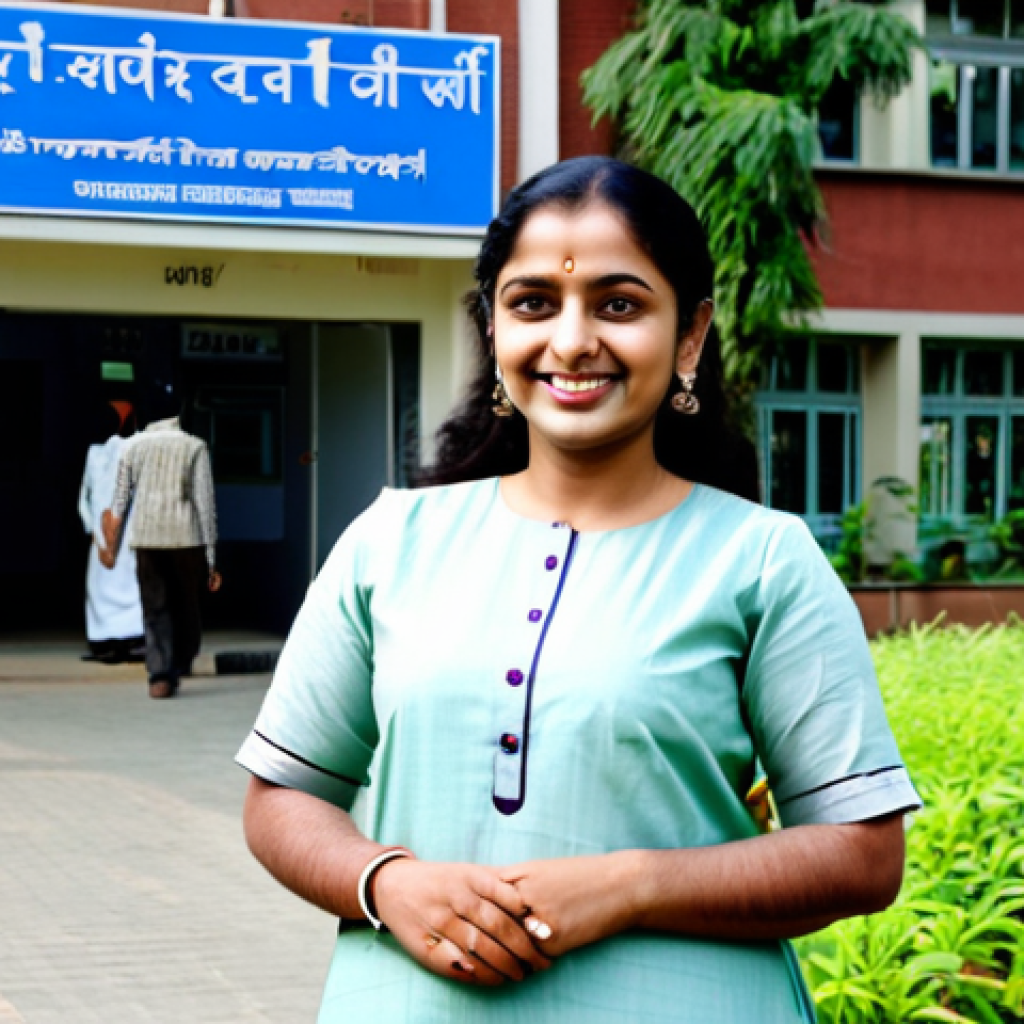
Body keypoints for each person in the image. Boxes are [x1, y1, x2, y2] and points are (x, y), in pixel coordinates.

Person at [236, 157, 921, 1023]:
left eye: (619, 304)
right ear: (493, 329)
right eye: (532, 304)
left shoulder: (761, 561)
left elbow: (863, 857)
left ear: (690, 335)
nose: (571, 341)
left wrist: (633, 884)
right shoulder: (389, 543)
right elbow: (284, 798)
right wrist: (386, 883)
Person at [106, 388, 222, 699]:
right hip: (187, 540)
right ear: (179, 413)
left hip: (147, 538)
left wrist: (111, 544)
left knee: (155, 607)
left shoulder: (131, 447)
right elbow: (205, 505)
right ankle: (180, 663)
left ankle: (159, 674)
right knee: (186, 605)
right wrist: (211, 558)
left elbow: (119, 501)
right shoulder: (195, 447)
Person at [77, 401, 144, 663]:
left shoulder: (137, 448)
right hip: (100, 536)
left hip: (128, 533)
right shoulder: (95, 453)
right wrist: (93, 530)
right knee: (98, 588)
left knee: (132, 584)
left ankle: (132, 640)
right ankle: (103, 642)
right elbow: (84, 497)